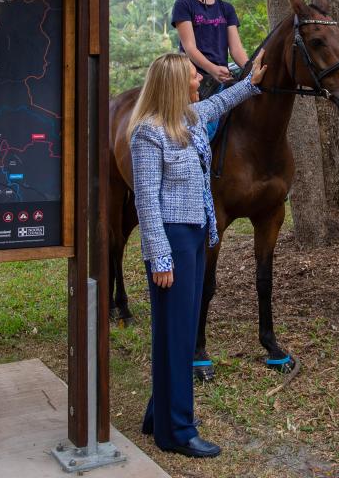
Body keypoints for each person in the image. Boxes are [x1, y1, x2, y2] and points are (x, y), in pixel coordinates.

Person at [128, 50, 266, 457]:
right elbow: (147, 202)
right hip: (171, 239)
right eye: (192, 77)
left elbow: (219, 102)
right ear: (173, 84)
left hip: (193, 235)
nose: (197, 82)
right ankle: (179, 432)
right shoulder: (148, 133)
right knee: (178, 334)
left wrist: (250, 82)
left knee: (179, 332)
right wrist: (161, 257)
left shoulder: (187, 120)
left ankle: (159, 415)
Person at [171, 0, 248, 87]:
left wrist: (252, 70)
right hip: (192, 77)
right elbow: (190, 48)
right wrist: (212, 69)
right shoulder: (183, 4)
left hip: (221, 74)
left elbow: (236, 50)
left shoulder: (227, 8)